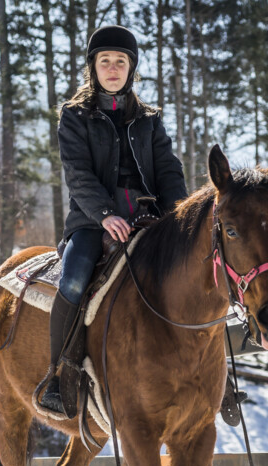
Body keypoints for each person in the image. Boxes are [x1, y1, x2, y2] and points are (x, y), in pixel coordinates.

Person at [39, 25, 187, 415]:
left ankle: (213, 377)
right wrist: (104, 215)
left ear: (131, 68)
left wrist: (179, 219)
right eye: (105, 61)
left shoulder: (150, 119)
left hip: (148, 218)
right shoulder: (74, 116)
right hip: (92, 220)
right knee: (73, 278)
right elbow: (78, 174)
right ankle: (60, 374)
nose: (112, 67)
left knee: (194, 271)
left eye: (120, 61)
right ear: (93, 67)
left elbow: (169, 172)